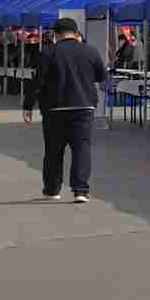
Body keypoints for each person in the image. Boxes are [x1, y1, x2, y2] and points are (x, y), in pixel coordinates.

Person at [22, 17, 107, 203]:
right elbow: (101, 76)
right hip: (84, 106)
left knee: (53, 151)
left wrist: (28, 106)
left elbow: (37, 82)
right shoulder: (90, 51)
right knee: (81, 150)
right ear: (76, 33)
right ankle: (81, 191)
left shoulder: (47, 52)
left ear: (56, 34)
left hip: (55, 108)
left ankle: (52, 190)